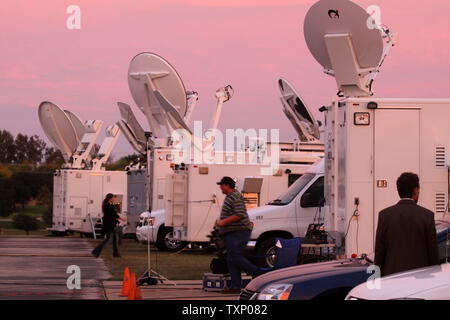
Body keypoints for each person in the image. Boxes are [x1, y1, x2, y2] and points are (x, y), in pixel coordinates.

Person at [375, 172, 440, 276]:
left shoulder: (384, 216)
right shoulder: (427, 216)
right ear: (415, 190)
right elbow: (433, 254)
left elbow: (379, 253)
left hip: (391, 278)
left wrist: (377, 280)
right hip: (420, 280)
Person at [215, 176, 261, 294]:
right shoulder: (230, 197)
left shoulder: (235, 196)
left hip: (239, 232)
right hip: (232, 233)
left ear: (227, 185)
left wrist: (223, 222)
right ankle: (236, 286)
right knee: (231, 259)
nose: (220, 187)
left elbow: (240, 214)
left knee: (235, 257)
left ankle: (257, 273)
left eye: (221, 185)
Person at [92, 193, 124, 258]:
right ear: (110, 198)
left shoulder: (108, 205)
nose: (113, 199)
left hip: (110, 224)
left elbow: (112, 215)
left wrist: (117, 220)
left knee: (114, 239)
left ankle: (116, 254)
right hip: (109, 225)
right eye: (112, 198)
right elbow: (113, 215)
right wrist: (121, 219)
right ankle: (96, 251)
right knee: (107, 239)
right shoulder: (108, 206)